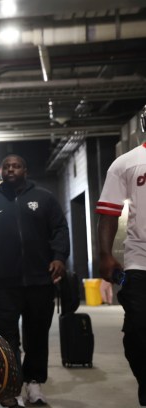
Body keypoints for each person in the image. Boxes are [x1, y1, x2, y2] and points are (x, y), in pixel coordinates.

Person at [0, 154, 70, 408]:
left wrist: (59, 257)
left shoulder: (44, 199)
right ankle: (10, 386)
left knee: (37, 334)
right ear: (1, 171)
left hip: (39, 281)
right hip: (1, 283)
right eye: (6, 166)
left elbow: (59, 229)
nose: (10, 169)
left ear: (26, 169)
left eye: (16, 165)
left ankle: (34, 383)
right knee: (6, 337)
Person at [96, 104, 146, 407]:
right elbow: (108, 213)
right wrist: (105, 255)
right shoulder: (127, 163)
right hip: (140, 262)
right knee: (138, 332)